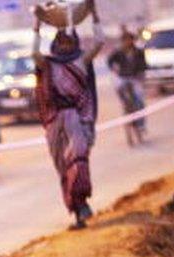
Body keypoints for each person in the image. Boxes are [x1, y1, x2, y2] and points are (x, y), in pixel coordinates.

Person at [33, 0, 105, 229]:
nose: (64, 45)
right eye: (60, 41)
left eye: (68, 41)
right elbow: (33, 52)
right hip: (55, 123)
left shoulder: (81, 61)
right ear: (55, 44)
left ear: (73, 42)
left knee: (78, 161)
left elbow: (100, 41)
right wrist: (37, 25)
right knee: (63, 168)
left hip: (76, 119)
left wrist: (95, 16)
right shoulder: (47, 64)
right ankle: (77, 211)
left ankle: (82, 204)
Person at [107, 29, 148, 132]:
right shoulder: (118, 52)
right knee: (119, 88)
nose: (127, 42)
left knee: (139, 100)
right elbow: (109, 61)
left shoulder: (138, 52)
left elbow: (144, 65)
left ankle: (141, 124)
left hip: (135, 78)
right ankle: (126, 105)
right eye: (125, 40)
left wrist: (140, 74)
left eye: (129, 40)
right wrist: (114, 69)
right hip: (123, 77)